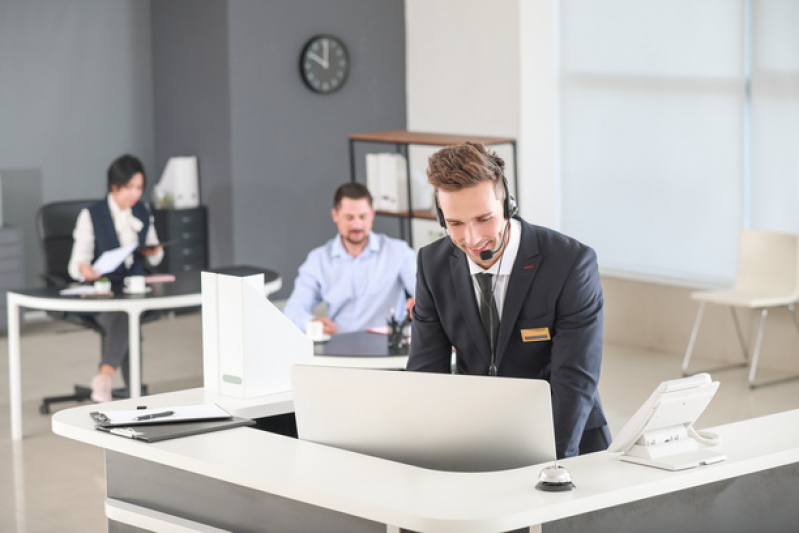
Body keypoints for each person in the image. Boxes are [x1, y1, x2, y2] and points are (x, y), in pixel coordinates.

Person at [406, 142, 610, 459]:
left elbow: (574, 379)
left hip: (565, 437)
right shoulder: (432, 265)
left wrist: (552, 466)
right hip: (477, 436)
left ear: (508, 204)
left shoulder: (570, 263)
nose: (472, 239)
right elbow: (426, 374)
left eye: (484, 219)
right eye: (455, 224)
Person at [67, 154, 163, 403]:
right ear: (114, 186)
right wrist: (84, 270)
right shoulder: (91, 215)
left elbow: (155, 259)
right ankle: (124, 391)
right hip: (102, 293)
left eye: (139, 187)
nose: (135, 193)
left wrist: (154, 251)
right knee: (125, 317)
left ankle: (107, 381)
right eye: (129, 187)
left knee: (128, 315)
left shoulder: (143, 211)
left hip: (136, 290)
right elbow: (75, 265)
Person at [283, 182, 416, 335]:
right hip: (338, 343)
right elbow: (294, 308)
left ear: (372, 215)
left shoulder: (399, 252)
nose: (357, 224)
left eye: (363, 216)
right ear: (335, 215)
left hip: (387, 344)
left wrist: (420, 301)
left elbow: (421, 288)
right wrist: (310, 323)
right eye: (349, 217)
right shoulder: (319, 260)